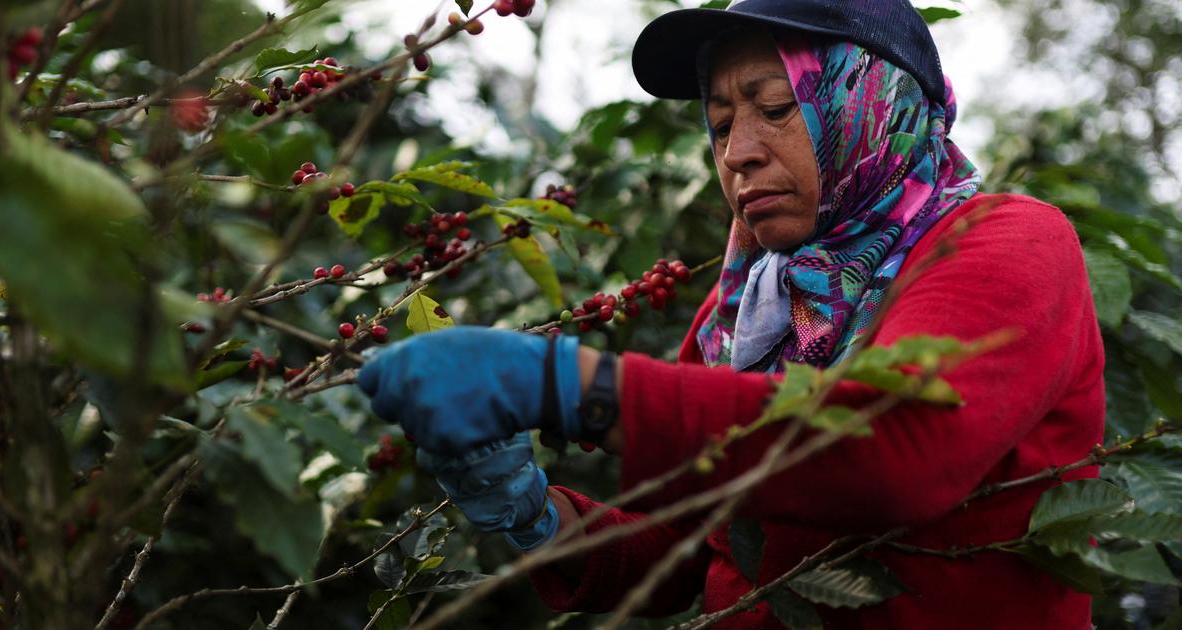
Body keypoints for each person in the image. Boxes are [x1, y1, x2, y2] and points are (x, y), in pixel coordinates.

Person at [356, 0, 1105, 627]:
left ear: (869, 99)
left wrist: (572, 385)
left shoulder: (1006, 241)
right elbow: (694, 544)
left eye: (776, 109)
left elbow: (893, 445)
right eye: (718, 126)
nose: (737, 152)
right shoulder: (749, 305)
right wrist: (539, 517)